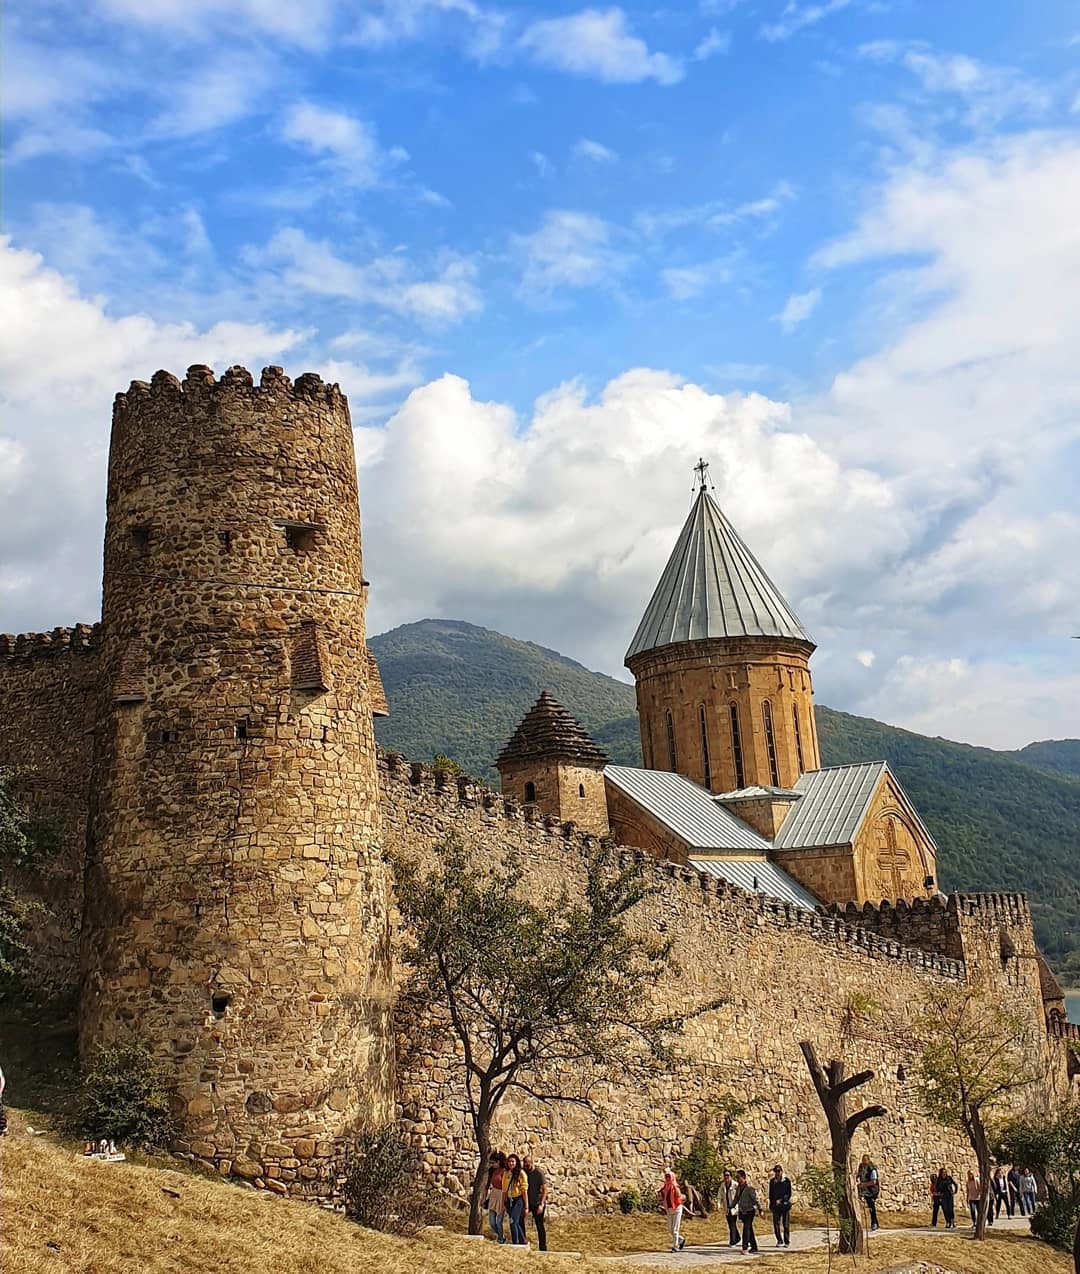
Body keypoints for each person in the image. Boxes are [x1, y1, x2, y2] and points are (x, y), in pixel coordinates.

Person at [522, 1155, 547, 1252]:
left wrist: (541, 1204)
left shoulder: (538, 1173)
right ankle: (522, 1242)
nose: (526, 1166)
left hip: (537, 1202)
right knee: (520, 1220)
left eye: (527, 1164)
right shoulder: (524, 1172)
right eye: (524, 1164)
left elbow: (545, 1189)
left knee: (539, 1225)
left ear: (531, 1163)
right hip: (528, 1202)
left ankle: (542, 1248)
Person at [734, 1169, 761, 1254]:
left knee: (746, 1229)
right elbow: (736, 1199)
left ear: (743, 1177)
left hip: (750, 1211)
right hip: (743, 1211)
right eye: (737, 1178)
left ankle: (744, 1247)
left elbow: (755, 1200)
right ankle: (754, 1247)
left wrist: (760, 1209)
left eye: (739, 1177)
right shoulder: (738, 1188)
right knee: (749, 1229)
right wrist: (730, 1207)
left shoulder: (749, 1188)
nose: (738, 1179)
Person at [659, 1170, 686, 1253]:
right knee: (670, 1229)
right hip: (669, 1209)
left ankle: (675, 1246)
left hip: (677, 1209)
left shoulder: (675, 1186)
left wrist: (674, 1186)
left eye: (669, 1177)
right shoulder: (665, 1187)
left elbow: (679, 1195)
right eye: (666, 1177)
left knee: (675, 1229)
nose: (667, 1179)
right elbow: (662, 1196)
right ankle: (680, 1239)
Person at [505, 1154, 529, 1245]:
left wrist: (526, 1206)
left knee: (513, 1220)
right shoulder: (506, 1173)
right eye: (509, 1161)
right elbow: (504, 1189)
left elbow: (524, 1191)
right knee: (514, 1221)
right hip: (509, 1199)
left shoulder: (521, 1174)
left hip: (518, 1199)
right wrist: (504, 1201)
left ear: (516, 1163)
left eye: (513, 1161)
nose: (511, 1163)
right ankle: (522, 1241)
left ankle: (516, 1242)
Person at [485, 1151, 507, 1244]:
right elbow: (487, 1184)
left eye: (493, 1162)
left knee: (499, 1221)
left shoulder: (505, 1171)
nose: (491, 1165)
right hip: (494, 1194)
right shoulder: (492, 1171)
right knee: (492, 1221)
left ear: (498, 1162)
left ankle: (501, 1239)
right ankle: (500, 1235)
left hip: (502, 1195)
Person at [768, 1165, 792, 1247]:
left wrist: (781, 1200)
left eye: (779, 1171)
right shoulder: (772, 1182)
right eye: (776, 1172)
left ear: (781, 1171)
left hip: (784, 1206)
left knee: (786, 1224)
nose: (777, 1173)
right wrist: (771, 1204)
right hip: (775, 1206)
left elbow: (789, 1194)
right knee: (776, 1224)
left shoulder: (786, 1181)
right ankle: (779, 1240)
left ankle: (787, 1241)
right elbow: (770, 1194)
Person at [857, 1154, 880, 1231]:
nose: (863, 1161)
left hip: (872, 1190)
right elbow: (859, 1174)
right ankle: (875, 1223)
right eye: (863, 1160)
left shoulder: (872, 1168)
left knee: (871, 1207)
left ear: (868, 1160)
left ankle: (874, 1223)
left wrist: (863, 1185)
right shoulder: (861, 1166)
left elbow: (874, 1181)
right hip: (865, 1190)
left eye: (865, 1160)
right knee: (870, 1206)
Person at [721, 1169, 740, 1246]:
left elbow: (739, 1194)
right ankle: (737, 1237)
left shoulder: (735, 1185)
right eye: (725, 1175)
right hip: (727, 1208)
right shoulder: (722, 1185)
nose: (726, 1177)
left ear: (731, 1176)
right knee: (731, 1224)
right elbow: (719, 1196)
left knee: (732, 1223)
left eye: (728, 1175)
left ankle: (732, 1241)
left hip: (734, 1208)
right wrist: (719, 1205)